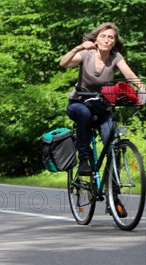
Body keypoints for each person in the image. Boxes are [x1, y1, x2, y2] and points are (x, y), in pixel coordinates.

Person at [60, 22, 145, 177]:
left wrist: (142, 88)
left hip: (101, 106)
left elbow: (129, 74)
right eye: (103, 36)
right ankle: (84, 161)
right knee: (84, 114)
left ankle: (114, 191)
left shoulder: (115, 57)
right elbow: (64, 63)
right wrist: (79, 47)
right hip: (79, 102)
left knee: (113, 145)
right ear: (96, 40)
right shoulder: (86, 54)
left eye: (110, 37)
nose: (107, 40)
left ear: (114, 42)